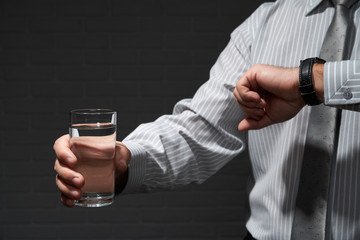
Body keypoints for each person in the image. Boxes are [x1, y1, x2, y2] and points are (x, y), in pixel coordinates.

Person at [54, 0, 360, 239]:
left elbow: (312, 83)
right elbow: (201, 131)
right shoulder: (266, 20)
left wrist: (315, 81)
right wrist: (125, 159)